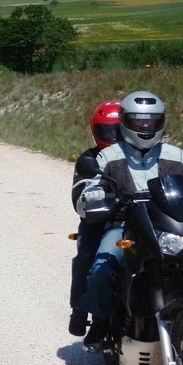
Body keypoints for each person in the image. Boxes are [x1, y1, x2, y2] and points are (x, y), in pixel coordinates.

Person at [75, 90, 183, 349]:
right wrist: (94, 195)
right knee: (103, 265)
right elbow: (92, 185)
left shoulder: (175, 155)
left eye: (151, 121)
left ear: (161, 122)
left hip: (164, 225)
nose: (145, 126)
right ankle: (100, 319)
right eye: (139, 121)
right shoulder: (109, 156)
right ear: (125, 122)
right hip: (124, 226)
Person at [68, 100, 123, 336]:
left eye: (117, 131)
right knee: (87, 256)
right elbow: (78, 194)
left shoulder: (139, 155)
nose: (112, 136)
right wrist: (92, 197)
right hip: (98, 220)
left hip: (138, 219)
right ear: (95, 130)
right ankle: (81, 311)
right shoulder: (90, 158)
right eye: (106, 131)